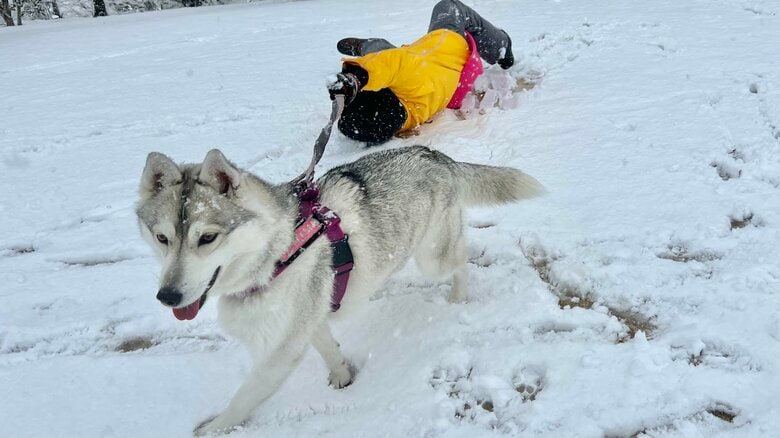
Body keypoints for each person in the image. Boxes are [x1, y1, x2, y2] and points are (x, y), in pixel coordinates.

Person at [327, 0, 514, 146]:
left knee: (389, 57)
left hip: (441, 91)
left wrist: (350, 109)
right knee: (449, 6)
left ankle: (371, 47)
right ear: (379, 90)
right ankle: (502, 48)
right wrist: (354, 79)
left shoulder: (406, 119)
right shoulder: (409, 75)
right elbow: (387, 65)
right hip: (444, 53)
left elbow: (361, 121)